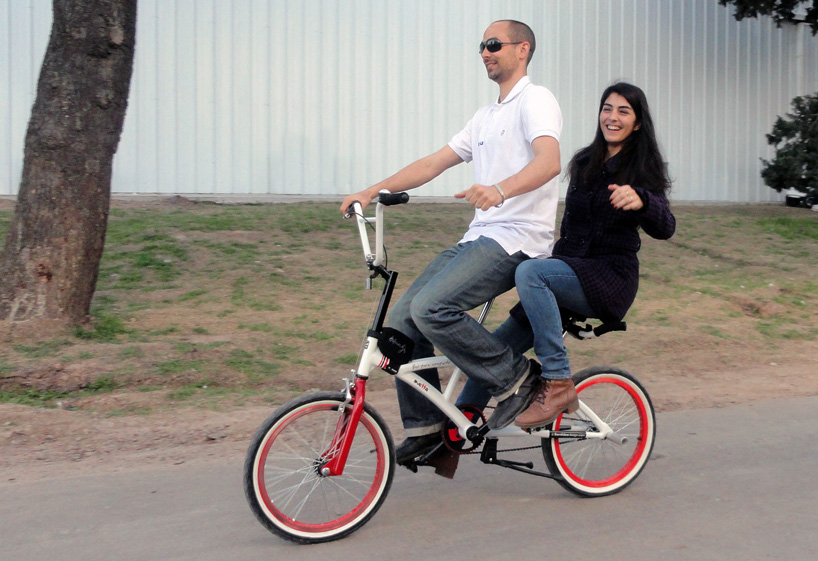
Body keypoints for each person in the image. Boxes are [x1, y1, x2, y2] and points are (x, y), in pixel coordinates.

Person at [339, 20, 562, 471]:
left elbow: (550, 162)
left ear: (523, 50)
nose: (485, 51)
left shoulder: (536, 100)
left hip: (518, 238)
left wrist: (500, 190)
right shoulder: (484, 117)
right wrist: (371, 190)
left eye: (494, 44)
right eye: (481, 45)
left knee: (432, 309)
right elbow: (432, 163)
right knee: (399, 326)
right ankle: (427, 430)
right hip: (478, 238)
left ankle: (517, 379)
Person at [460, 82, 676, 430]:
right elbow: (571, 231)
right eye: (607, 108)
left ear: (637, 123)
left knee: (531, 272)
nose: (612, 117)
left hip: (609, 279)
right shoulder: (584, 162)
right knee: (494, 353)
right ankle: (453, 434)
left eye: (623, 111)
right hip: (566, 275)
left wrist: (643, 201)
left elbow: (666, 226)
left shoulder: (643, 168)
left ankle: (558, 381)